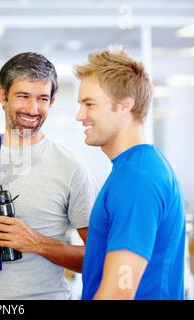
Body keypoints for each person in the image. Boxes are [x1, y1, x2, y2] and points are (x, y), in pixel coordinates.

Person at [0, 52, 98, 299]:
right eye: (23, 96)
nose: (32, 108)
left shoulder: (70, 166)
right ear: (2, 96)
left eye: (42, 98)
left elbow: (99, 257)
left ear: (52, 101)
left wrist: (36, 243)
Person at [75, 47, 185, 300]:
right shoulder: (136, 168)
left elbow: (118, 293)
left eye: (89, 104)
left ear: (125, 106)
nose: (80, 115)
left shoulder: (138, 179)